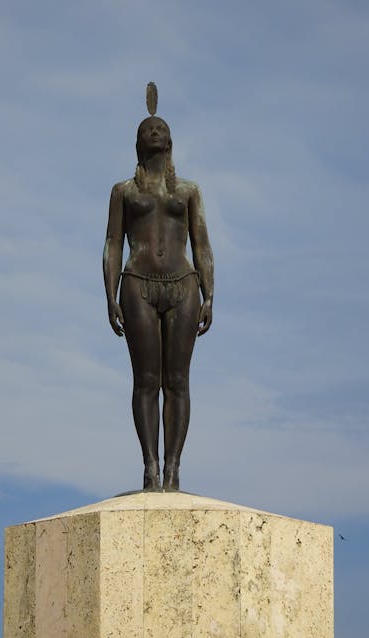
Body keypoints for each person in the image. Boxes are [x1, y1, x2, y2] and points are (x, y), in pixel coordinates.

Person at [103, 84, 214, 491]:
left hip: (183, 285)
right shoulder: (124, 192)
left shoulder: (188, 191)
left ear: (170, 142)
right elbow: (113, 242)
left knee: (178, 381)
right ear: (139, 143)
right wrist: (109, 293)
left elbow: (202, 243)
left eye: (161, 127)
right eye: (148, 128)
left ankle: (173, 467)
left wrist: (209, 293)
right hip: (138, 285)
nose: (155, 130)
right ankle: (150, 465)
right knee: (147, 380)